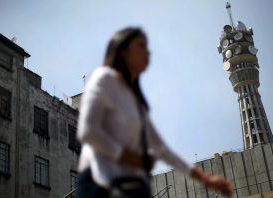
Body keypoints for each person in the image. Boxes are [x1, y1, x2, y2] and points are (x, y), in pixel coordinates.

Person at [76, 27, 233, 198]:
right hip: (98, 185)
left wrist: (206, 179)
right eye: (141, 46)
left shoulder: (136, 102)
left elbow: (161, 149)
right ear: (123, 52)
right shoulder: (104, 78)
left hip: (131, 185)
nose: (148, 52)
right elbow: (88, 132)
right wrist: (132, 158)